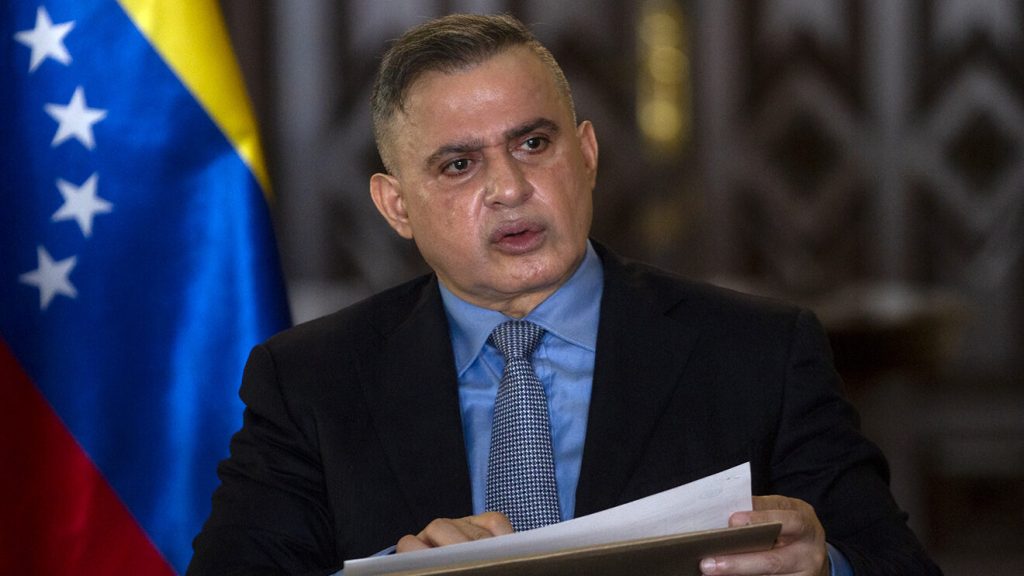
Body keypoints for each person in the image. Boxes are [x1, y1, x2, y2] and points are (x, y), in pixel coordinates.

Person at [188, 13, 942, 576]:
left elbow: (895, 563)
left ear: (585, 155)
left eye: (533, 144)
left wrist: (824, 565)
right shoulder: (310, 380)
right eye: (459, 165)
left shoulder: (759, 352)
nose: (510, 188)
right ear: (396, 206)